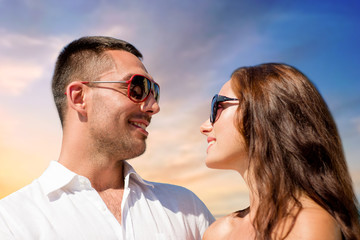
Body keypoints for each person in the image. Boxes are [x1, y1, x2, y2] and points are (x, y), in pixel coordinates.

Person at [0, 36, 215, 239]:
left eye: (154, 92)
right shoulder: (11, 221)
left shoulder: (186, 208)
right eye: (138, 88)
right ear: (79, 97)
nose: (154, 107)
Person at [200, 63, 360, 240]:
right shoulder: (218, 232)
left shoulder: (306, 225)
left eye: (218, 106)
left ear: (262, 112)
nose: (205, 126)